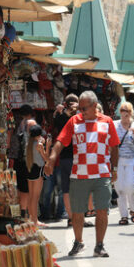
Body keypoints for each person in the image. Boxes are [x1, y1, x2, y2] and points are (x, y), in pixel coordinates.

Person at [45, 91, 120, 257]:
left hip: (102, 174)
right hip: (79, 175)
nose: (80, 111)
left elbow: (114, 147)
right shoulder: (74, 121)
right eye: (79, 107)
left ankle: (99, 245)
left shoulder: (107, 122)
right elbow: (60, 141)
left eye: (84, 108)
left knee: (102, 211)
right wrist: (51, 158)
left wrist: (114, 169)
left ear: (94, 106)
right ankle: (78, 242)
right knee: (77, 212)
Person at [52, 94, 79, 227]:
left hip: (69, 157)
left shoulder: (73, 117)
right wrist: (62, 112)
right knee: (70, 188)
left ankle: (73, 217)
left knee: (70, 188)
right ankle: (73, 217)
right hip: (71, 157)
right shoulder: (76, 118)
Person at [114, 102, 134, 225]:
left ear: (131, 112)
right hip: (118, 160)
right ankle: (123, 215)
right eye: (123, 110)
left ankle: (133, 211)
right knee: (119, 188)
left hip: (131, 160)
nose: (125, 113)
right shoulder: (115, 125)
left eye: (127, 110)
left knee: (130, 186)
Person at [7, 104, 35, 219]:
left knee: (17, 185)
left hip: (15, 157)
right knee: (26, 187)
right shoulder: (30, 123)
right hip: (26, 159)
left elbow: (10, 136)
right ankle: (24, 211)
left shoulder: (14, 122)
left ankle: (19, 211)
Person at [25, 124, 51, 226]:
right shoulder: (39, 145)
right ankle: (35, 220)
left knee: (31, 196)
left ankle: (32, 219)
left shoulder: (28, 143)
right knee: (35, 197)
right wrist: (47, 146)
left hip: (29, 168)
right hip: (38, 169)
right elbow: (46, 159)